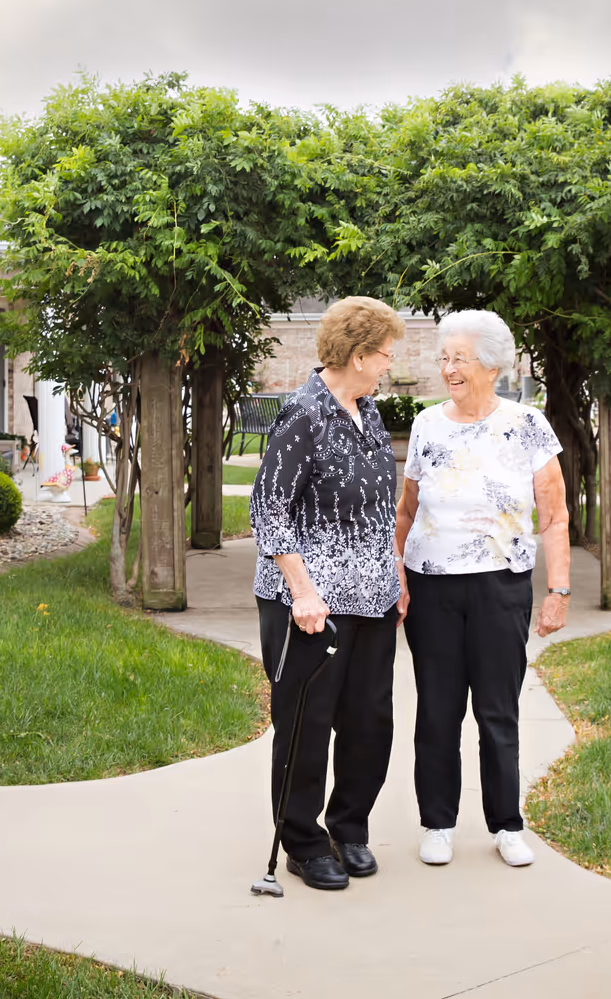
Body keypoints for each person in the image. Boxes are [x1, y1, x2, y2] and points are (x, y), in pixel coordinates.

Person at [396, 309, 569, 869]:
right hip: (433, 588)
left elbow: (556, 515)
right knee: (438, 711)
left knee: (498, 710)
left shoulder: (527, 425)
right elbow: (407, 508)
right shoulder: (426, 424)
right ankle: (438, 823)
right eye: (444, 358)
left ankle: (506, 824)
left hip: (501, 588)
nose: (449, 368)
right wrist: (395, 569)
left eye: (460, 359)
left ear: (491, 365)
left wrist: (558, 590)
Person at [251, 296, 407, 891]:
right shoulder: (303, 413)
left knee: (370, 720)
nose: (389, 363)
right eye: (385, 353)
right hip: (310, 601)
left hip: (370, 595)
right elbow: (268, 509)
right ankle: (303, 841)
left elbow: (375, 510)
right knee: (306, 722)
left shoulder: (367, 412)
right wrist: (303, 590)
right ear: (359, 354)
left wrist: (393, 578)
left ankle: (349, 827)